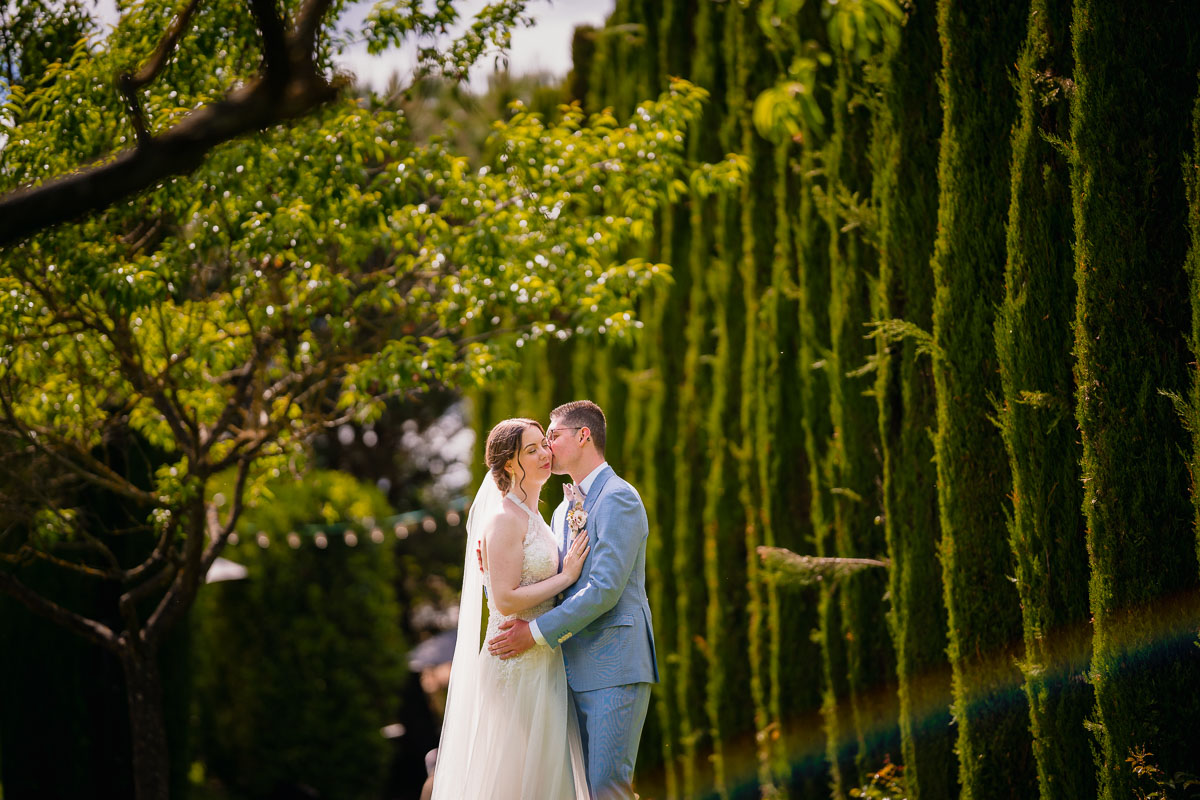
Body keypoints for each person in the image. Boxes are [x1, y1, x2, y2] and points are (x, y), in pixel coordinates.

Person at [487, 400, 659, 800]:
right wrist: (491, 568)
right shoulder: (563, 506)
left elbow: (604, 589)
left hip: (614, 666)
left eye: (553, 436)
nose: (547, 447)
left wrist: (535, 633)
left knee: (607, 788)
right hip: (563, 671)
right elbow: (545, 578)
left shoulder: (619, 497)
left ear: (584, 436)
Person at [431, 418, 593, 799]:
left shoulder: (538, 517)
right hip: (514, 660)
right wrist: (566, 576)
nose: (544, 454)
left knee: (546, 776)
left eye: (544, 445)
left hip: (543, 655)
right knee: (518, 776)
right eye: (531, 450)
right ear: (508, 464)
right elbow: (504, 599)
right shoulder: (504, 519)